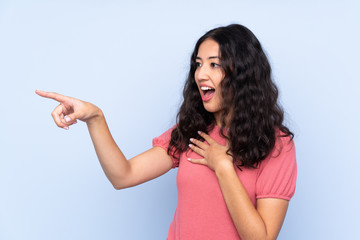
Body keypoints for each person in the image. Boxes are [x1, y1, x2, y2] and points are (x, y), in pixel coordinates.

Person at [36, 24, 297, 240]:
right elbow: (123, 176)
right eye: (198, 64)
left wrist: (223, 167)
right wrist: (95, 117)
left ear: (243, 74)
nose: (200, 74)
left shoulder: (276, 145)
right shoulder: (192, 132)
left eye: (214, 65)